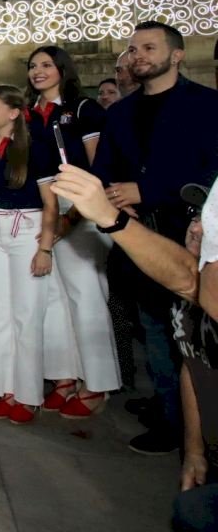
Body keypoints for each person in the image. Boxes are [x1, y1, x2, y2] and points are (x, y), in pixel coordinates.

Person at [51, 165, 216, 530]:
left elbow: (189, 279)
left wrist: (110, 218)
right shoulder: (193, 296)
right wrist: (194, 451)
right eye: (198, 216)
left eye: (210, 225)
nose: (197, 228)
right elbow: (194, 362)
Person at [94, 21, 218, 455]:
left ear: (177, 55)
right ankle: (170, 414)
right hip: (137, 231)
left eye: (148, 47)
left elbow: (211, 172)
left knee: (192, 330)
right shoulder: (120, 113)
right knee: (153, 324)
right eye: (133, 49)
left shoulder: (207, 105)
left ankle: (196, 428)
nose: (137, 56)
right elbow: (104, 169)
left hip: (190, 232)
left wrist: (146, 190)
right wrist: (116, 202)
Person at [25, 45, 120, 418]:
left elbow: (99, 167)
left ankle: (98, 383)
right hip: (45, 205)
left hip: (82, 206)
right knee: (53, 299)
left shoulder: (82, 109)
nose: (38, 71)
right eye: (33, 66)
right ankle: (64, 375)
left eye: (46, 65)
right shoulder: (30, 114)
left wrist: (72, 218)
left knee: (86, 295)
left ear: (62, 69)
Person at [0, 85, 58, 424]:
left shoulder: (34, 148)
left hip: (26, 230)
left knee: (26, 314)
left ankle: (28, 394)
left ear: (13, 112)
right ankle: (5, 387)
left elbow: (50, 203)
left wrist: (45, 248)